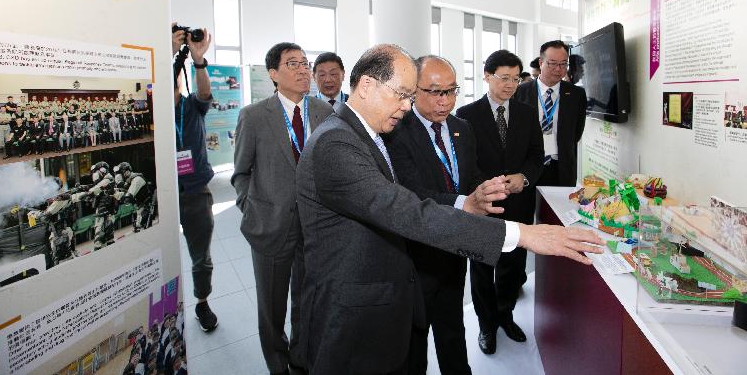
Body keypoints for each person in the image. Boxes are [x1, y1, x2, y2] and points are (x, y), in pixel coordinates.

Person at [296, 44, 604, 374]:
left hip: (390, 291)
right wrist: (523, 234)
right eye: (402, 94)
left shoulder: (363, 134)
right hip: (354, 311)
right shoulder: (337, 142)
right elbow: (406, 210)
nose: (405, 106)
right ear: (368, 85)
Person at [386, 55, 501, 374]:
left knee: (452, 328)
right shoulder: (396, 130)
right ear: (412, 90)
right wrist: (468, 202)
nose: (445, 100)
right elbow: (410, 193)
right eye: (435, 92)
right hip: (415, 253)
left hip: (454, 248)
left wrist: (487, 189)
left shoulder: (462, 127)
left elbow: (471, 174)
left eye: (451, 91)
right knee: (415, 337)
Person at [232, 42, 333, 375]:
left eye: (305, 63)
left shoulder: (324, 113)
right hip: (270, 225)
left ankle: (301, 359)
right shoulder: (254, 116)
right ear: (273, 74)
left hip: (315, 226)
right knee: (272, 308)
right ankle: (277, 364)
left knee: (306, 301)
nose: (304, 69)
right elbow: (241, 173)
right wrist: (251, 209)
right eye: (293, 64)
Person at [456, 49, 545, 355]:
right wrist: (487, 186)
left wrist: (525, 177)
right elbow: (465, 164)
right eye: (503, 78)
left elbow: (536, 157)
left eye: (515, 78)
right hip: (483, 205)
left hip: (518, 204)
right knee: (482, 267)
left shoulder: (527, 112)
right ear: (487, 76)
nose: (510, 85)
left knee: (512, 265)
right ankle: (486, 324)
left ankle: (505, 315)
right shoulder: (466, 115)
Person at [172, 23, 219, 333]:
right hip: (161, 196)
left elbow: (204, 92)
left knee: (201, 257)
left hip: (194, 192)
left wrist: (197, 59)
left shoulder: (191, 107)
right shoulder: (152, 114)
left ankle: (202, 302)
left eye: (176, 74)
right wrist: (170, 54)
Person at [514, 40, 587, 188]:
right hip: (526, 167)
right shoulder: (520, 91)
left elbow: (576, 131)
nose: (558, 69)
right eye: (552, 63)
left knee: (559, 209)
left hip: (561, 167)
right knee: (525, 210)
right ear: (541, 63)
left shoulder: (576, 94)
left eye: (563, 64)